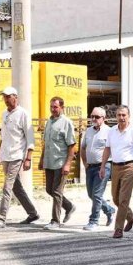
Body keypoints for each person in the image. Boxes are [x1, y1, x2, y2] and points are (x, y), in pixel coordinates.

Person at [0, 86, 40, 230]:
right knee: (16, 188)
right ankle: (33, 213)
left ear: (15, 97)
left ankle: (1, 218)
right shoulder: (4, 114)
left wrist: (28, 157)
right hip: (6, 154)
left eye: (8, 97)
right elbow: (3, 136)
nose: (5, 100)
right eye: (4, 97)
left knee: (7, 186)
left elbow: (30, 137)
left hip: (17, 155)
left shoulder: (23, 114)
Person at [100, 105, 133, 239]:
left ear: (128, 116)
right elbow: (107, 149)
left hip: (129, 167)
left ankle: (118, 229)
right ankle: (131, 217)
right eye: (119, 115)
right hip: (115, 167)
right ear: (116, 116)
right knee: (115, 198)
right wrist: (102, 166)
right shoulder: (112, 131)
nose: (121, 118)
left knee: (123, 199)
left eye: (124, 115)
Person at [39, 96, 77, 229]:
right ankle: (69, 206)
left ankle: (55, 221)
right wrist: (41, 159)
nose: (53, 109)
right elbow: (46, 143)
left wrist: (67, 164)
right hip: (49, 162)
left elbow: (72, 145)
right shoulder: (49, 122)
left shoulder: (66, 123)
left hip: (60, 162)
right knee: (49, 190)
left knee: (56, 191)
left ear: (62, 107)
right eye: (51, 107)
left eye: (55, 107)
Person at [81, 107, 116, 230]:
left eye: (97, 117)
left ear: (104, 118)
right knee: (91, 194)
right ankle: (109, 210)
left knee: (96, 194)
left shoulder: (109, 131)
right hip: (90, 167)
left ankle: (94, 220)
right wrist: (85, 162)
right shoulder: (88, 131)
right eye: (92, 116)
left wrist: (104, 166)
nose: (94, 119)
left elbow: (112, 149)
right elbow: (83, 147)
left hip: (103, 166)